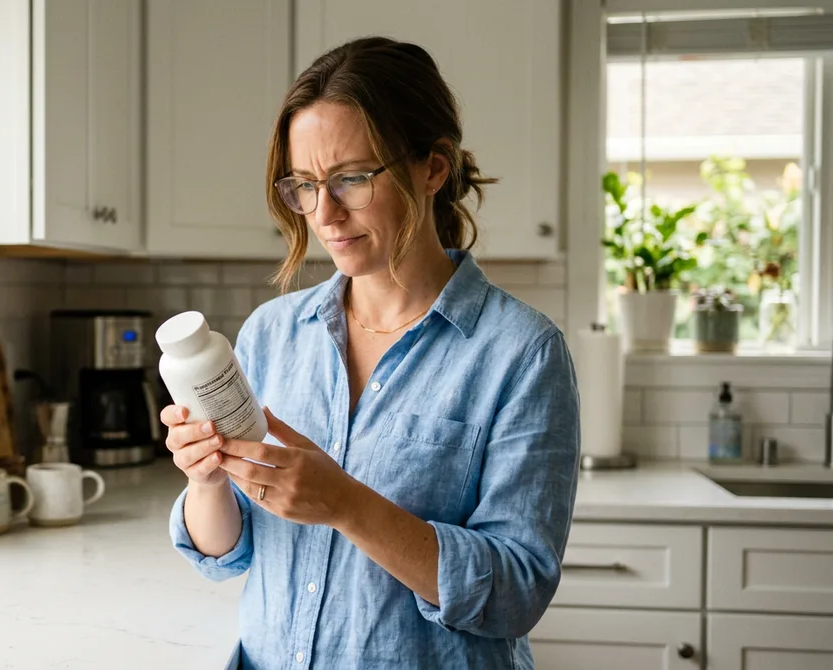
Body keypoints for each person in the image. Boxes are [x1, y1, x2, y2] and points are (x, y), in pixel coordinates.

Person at [162, 36, 580, 669]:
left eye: (351, 178)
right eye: (305, 185)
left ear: (433, 167)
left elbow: (516, 591)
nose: (324, 214)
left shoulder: (522, 354)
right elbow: (227, 551)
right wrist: (207, 479)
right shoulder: (271, 334)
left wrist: (346, 504)